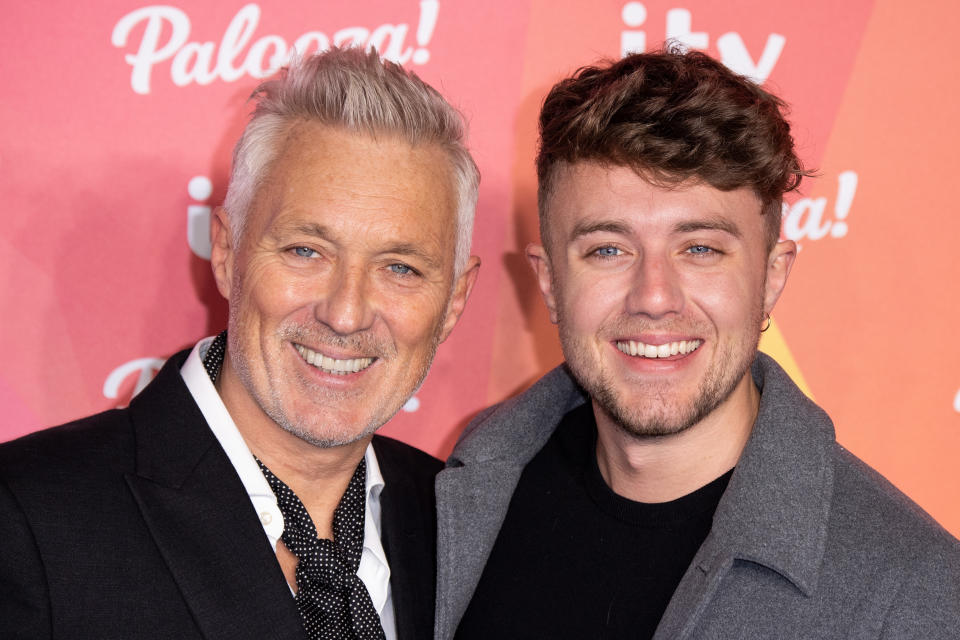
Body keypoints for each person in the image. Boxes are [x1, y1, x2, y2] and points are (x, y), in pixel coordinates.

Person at [436, 48, 960, 639]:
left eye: (701, 249)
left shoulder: (914, 590)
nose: (654, 297)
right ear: (550, 282)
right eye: (608, 249)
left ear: (771, 277)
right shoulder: (471, 487)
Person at [0, 47, 479, 640]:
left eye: (401, 267)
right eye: (306, 251)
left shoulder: (462, 526)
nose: (347, 314)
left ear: (454, 299)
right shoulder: (25, 519)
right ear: (226, 252)